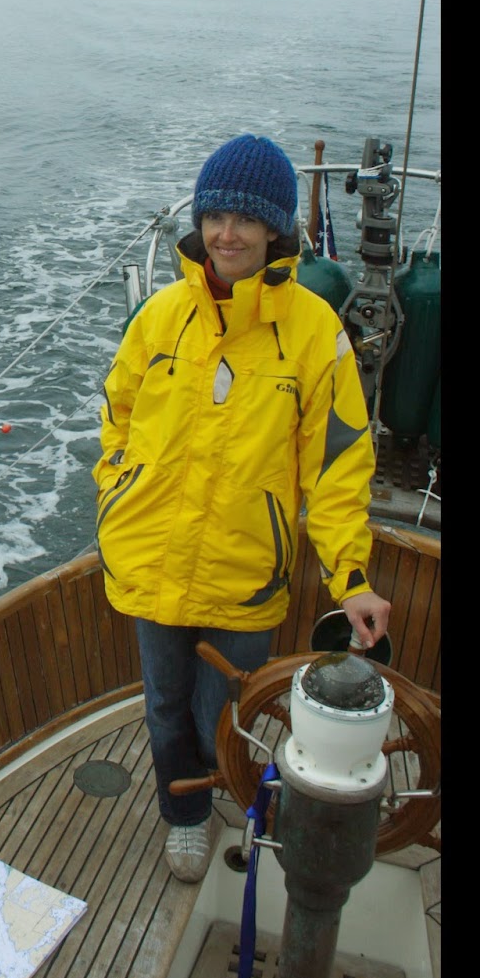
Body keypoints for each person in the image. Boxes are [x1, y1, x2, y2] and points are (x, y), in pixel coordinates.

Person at [93, 133, 391, 882]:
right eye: (215, 215)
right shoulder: (159, 317)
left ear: (274, 230)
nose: (226, 234)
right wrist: (115, 488)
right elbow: (115, 412)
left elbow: (337, 466)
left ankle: (228, 788)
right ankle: (185, 815)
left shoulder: (314, 334)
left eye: (245, 219)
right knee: (163, 707)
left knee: (220, 712)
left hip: (243, 572)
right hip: (152, 559)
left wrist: (349, 578)